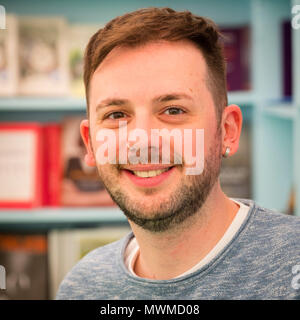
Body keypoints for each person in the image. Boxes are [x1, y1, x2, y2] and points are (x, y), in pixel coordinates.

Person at [56, 7, 300, 299]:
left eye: (173, 110)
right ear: (90, 143)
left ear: (228, 131)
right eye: (116, 114)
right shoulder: (82, 287)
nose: (142, 141)